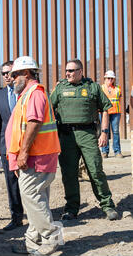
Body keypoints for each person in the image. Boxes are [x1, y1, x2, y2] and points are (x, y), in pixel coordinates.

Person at [6, 56, 63, 256]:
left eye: (14, 75)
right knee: (35, 199)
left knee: (31, 196)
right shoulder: (26, 94)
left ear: (27, 73)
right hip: (34, 156)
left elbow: (34, 123)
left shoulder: (35, 93)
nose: (11, 78)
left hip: (37, 156)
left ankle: (51, 236)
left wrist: (23, 153)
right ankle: (33, 241)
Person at [50, 58, 119, 221]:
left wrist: (104, 133)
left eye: (71, 70)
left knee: (95, 170)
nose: (67, 73)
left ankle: (107, 205)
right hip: (66, 137)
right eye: (66, 70)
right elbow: (49, 109)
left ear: (80, 71)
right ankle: (71, 209)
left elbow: (105, 110)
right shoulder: (60, 88)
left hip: (87, 135)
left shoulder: (93, 87)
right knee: (69, 174)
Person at [0, 61, 24, 231]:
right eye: (3, 73)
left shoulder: (26, 93)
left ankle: (36, 215)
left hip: (26, 145)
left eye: (9, 72)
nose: (6, 75)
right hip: (7, 147)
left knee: (29, 181)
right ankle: (16, 217)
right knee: (11, 182)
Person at [100, 70, 123, 158]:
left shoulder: (118, 88)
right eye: (108, 78)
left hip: (115, 112)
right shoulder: (101, 88)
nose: (110, 80)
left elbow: (119, 100)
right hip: (104, 113)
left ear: (114, 79)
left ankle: (117, 151)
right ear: (105, 78)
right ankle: (104, 152)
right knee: (105, 132)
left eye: (112, 78)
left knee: (116, 132)